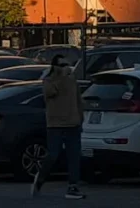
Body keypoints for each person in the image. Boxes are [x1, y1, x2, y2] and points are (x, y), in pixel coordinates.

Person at [31, 54, 85, 200]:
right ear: (54, 67)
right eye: (61, 65)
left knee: (74, 156)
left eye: (66, 65)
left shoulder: (72, 80)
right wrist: (61, 77)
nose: (65, 68)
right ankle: (40, 179)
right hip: (55, 124)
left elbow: (78, 99)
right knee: (53, 154)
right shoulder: (49, 80)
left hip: (73, 123)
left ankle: (73, 187)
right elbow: (51, 93)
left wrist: (80, 117)